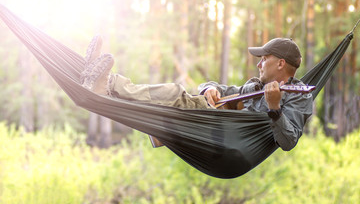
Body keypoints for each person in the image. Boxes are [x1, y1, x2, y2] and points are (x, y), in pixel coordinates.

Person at [81, 36, 313, 151]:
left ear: (281, 64)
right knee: (177, 97)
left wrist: (274, 109)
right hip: (213, 125)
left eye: (264, 59)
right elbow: (226, 91)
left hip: (230, 142)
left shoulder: (299, 96)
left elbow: (288, 141)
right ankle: (98, 78)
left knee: (174, 92)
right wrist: (208, 88)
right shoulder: (254, 87)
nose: (259, 65)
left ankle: (107, 83)